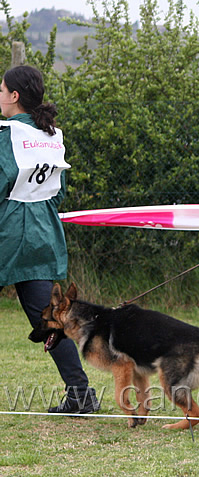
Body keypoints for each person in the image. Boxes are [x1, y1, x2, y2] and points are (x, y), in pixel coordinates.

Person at [0, 65, 100, 415]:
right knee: (50, 320)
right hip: (43, 233)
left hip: (8, 232)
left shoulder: (5, 133)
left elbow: (3, 179)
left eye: (1, 90)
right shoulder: (52, 134)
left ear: (14, 96)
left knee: (48, 320)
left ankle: (80, 395)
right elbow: (59, 190)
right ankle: (80, 394)